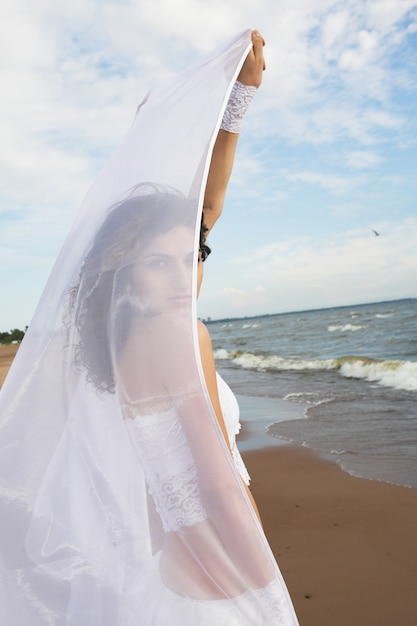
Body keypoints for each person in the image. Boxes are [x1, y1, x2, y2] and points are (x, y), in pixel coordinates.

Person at [0, 30, 299, 625]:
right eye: (157, 265)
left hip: (171, 565)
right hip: (218, 569)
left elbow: (202, 213)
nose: (182, 277)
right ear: (126, 276)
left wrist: (238, 101)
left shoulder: (121, 339)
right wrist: (263, 577)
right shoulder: (184, 338)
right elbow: (216, 478)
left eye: (189, 259)